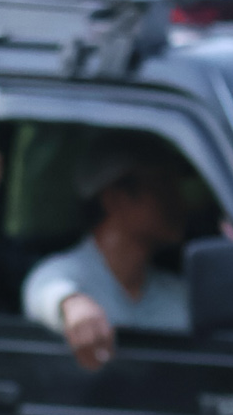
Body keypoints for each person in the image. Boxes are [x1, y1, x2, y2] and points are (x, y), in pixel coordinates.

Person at [22, 137, 194, 371]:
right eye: (162, 186)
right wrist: (72, 305)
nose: (180, 201)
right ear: (114, 199)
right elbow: (42, 286)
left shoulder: (178, 296)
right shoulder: (68, 276)